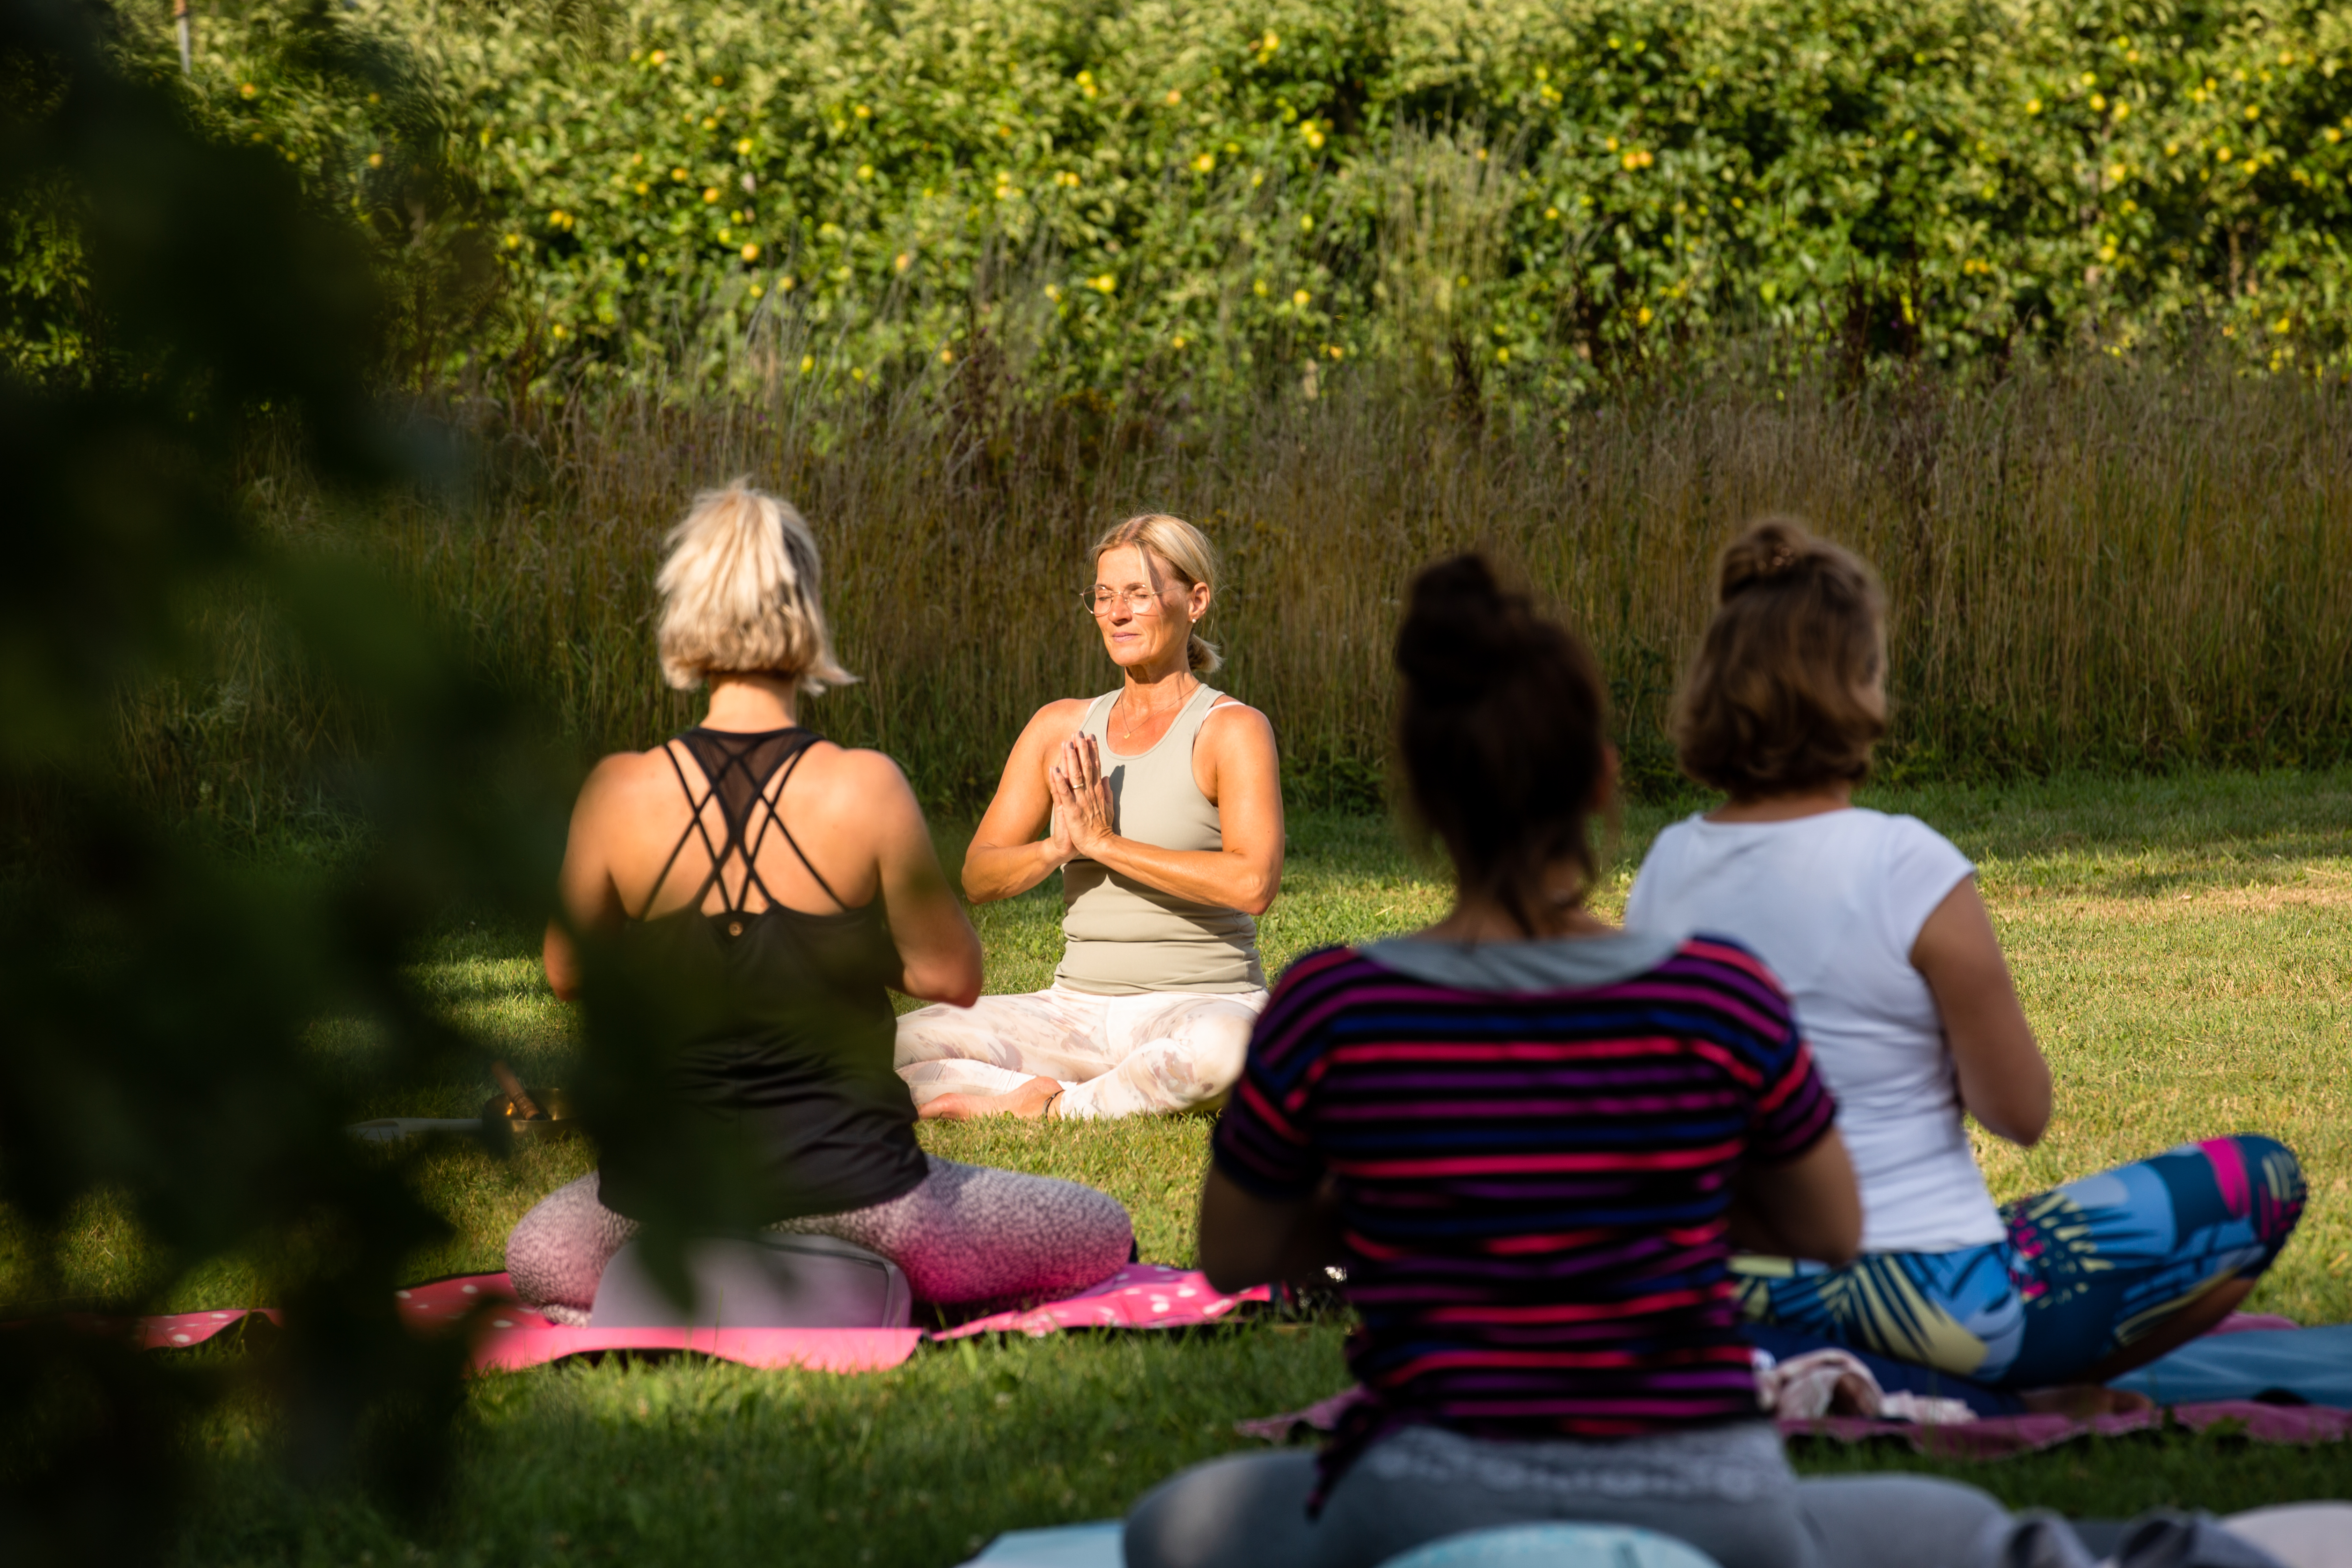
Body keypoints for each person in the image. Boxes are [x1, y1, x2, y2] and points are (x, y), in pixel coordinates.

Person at [1126, 555, 2037, 1568]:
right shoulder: (1715, 994)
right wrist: (1648, 1194)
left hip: (1422, 1502)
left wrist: (1414, 1200)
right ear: (1600, 781)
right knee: (1964, 1529)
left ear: (1421, 795)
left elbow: (1236, 1251)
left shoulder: (1334, 1002)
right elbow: (1831, 1226)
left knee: (1173, 1524)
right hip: (1711, 1504)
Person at [1624, 517, 2304, 1394]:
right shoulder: (1907, 863)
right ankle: (2028, 1388)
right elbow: (2019, 1112)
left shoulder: (1667, 866)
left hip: (1738, 1286)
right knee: (2262, 1176)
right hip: (1937, 1292)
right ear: (1859, 684)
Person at [504, 481, 1132, 1325]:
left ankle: (688, 1289)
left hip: (666, 1191)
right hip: (859, 1188)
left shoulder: (618, 791)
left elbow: (568, 969)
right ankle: (871, 1288)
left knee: (536, 1254)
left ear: (683, 612)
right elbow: (952, 971)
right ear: (805, 612)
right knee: (1104, 1230)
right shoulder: (861, 785)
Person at [894, 513, 1283, 1121]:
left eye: (1138, 594)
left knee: (1228, 1056)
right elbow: (978, 875)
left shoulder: (1231, 729)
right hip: (1073, 1011)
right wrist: (1058, 850)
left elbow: (1253, 883)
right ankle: (1053, 1094)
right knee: (886, 1043)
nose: (1117, 613)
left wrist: (1105, 844)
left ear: (1196, 599)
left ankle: (1049, 1106)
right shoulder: (1061, 726)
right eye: (1103, 596)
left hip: (1201, 1003)